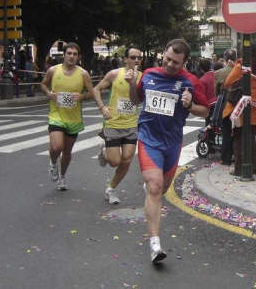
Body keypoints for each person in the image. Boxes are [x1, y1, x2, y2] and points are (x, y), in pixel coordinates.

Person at [126, 39, 209, 264]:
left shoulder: (190, 81)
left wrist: (190, 105)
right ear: (163, 53)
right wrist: (132, 85)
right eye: (168, 59)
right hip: (148, 139)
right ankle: (155, 244)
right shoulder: (149, 74)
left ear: (185, 62)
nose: (171, 64)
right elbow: (136, 101)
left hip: (172, 143)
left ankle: (152, 192)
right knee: (154, 187)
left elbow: (205, 111)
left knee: (161, 189)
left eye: (176, 62)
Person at [40, 42, 95, 191]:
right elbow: (43, 84)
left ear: (78, 57)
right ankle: (52, 163)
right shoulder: (53, 70)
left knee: (67, 152)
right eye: (69, 53)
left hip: (74, 118)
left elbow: (92, 93)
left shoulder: (83, 74)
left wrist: (82, 96)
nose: (71, 56)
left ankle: (62, 177)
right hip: (56, 115)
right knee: (57, 146)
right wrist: (49, 94)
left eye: (75, 54)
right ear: (64, 55)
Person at [93, 46, 143, 204]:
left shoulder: (143, 77)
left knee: (127, 160)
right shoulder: (114, 74)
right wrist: (102, 108)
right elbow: (96, 89)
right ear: (125, 59)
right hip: (113, 123)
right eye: (133, 57)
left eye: (139, 58)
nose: (136, 60)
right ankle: (104, 150)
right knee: (115, 161)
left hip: (131, 124)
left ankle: (111, 189)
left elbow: (141, 100)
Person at [222, 44, 256, 176]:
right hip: (254, 105)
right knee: (251, 137)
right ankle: (253, 168)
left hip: (240, 106)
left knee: (239, 138)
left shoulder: (241, 67)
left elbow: (227, 82)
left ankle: (239, 168)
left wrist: (236, 65)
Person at [214, 49, 237, 166]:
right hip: (238, 105)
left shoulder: (218, 73)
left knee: (226, 132)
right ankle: (236, 155)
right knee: (237, 131)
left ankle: (225, 157)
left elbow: (216, 93)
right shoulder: (240, 71)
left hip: (224, 104)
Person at [197, 58, 216, 126]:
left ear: (201, 69)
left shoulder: (202, 80)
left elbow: (202, 96)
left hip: (210, 104)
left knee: (209, 125)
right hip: (219, 102)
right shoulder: (216, 74)